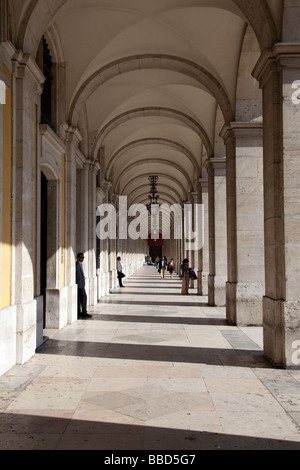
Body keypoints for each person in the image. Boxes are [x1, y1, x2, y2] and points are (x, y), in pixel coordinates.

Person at [76, 253, 92, 318]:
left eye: (83, 257)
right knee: (84, 297)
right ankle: (84, 312)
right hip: (79, 284)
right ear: (78, 257)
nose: (82, 258)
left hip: (82, 284)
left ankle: (79, 311)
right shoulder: (76, 264)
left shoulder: (80, 264)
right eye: (81, 257)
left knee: (79, 298)